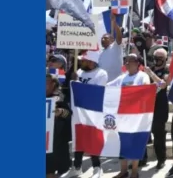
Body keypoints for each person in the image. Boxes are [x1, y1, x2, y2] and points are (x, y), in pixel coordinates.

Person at [63, 50, 108, 178]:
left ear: (91, 62)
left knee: (92, 138)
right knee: (79, 138)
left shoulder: (101, 74)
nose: (81, 62)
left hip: (93, 113)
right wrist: (71, 81)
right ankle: (77, 167)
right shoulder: (79, 72)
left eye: (84, 60)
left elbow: (96, 93)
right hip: (78, 112)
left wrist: (77, 84)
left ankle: (97, 168)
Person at [108, 54, 151, 178]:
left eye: (130, 61)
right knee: (122, 143)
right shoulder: (122, 78)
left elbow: (146, 89)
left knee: (135, 143)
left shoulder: (143, 76)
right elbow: (107, 86)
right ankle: (123, 170)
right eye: (126, 61)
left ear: (137, 63)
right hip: (122, 117)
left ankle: (134, 171)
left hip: (137, 117)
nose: (127, 63)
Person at [141, 48, 170, 170]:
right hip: (146, 106)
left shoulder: (166, 70)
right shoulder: (149, 69)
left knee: (158, 135)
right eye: (155, 57)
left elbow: (163, 84)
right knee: (143, 134)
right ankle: (142, 159)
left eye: (160, 58)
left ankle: (161, 159)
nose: (157, 60)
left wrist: (150, 74)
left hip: (160, 106)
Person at [47, 73, 72, 178]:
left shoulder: (60, 97)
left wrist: (61, 112)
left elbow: (69, 114)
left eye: (46, 82)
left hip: (57, 138)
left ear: (53, 84)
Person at [99, 14, 124, 82]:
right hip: (104, 84)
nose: (103, 40)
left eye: (105, 38)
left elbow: (119, 36)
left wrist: (114, 23)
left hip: (115, 83)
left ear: (112, 39)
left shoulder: (115, 47)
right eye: (102, 38)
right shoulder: (101, 53)